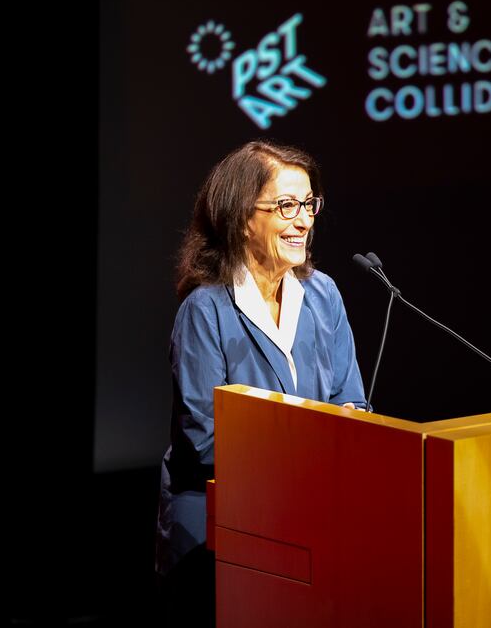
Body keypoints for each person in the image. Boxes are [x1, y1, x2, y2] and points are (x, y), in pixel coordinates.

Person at [155, 139, 368, 625]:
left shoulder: (322, 294)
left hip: (308, 518)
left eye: (309, 203)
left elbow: (349, 398)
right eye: (286, 206)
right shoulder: (205, 310)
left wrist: (355, 426)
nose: (304, 220)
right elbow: (202, 436)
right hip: (218, 527)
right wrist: (312, 447)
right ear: (240, 217)